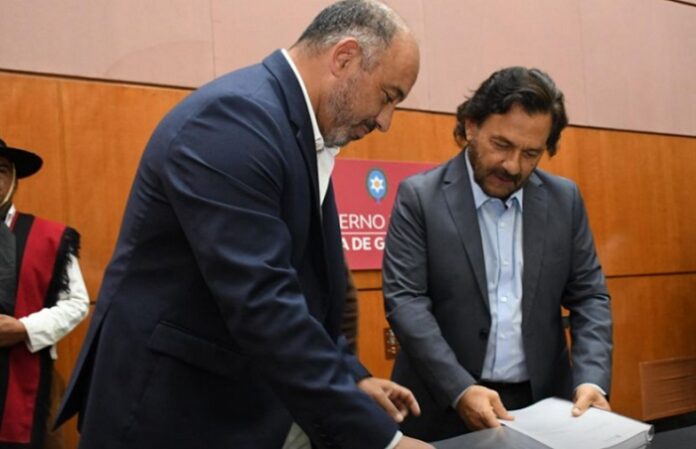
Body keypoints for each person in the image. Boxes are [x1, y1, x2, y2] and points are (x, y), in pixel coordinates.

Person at [55, 1, 431, 448]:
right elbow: (264, 303)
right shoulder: (234, 122)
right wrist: (385, 441)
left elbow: (301, 292)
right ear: (344, 58)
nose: (385, 121)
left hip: (226, 408)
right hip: (168, 414)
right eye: (388, 96)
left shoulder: (291, 129)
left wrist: (352, 378)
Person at [382, 67, 613, 441]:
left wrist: (591, 379)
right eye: (502, 145)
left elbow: (590, 297)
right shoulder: (420, 198)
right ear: (471, 126)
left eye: (531, 153)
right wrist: (459, 388)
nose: (513, 166)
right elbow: (406, 301)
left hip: (542, 405)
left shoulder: (564, 200)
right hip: (443, 404)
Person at [0, 138, 90, 449]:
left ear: (15, 180)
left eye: (0, 170)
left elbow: (77, 303)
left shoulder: (50, 238)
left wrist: (25, 328)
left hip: (29, 379)